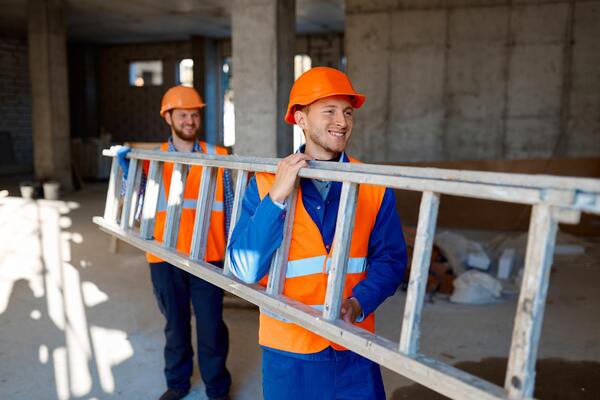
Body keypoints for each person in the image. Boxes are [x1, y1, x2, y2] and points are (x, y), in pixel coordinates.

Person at [227, 67, 407, 400]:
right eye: (330, 110)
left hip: (354, 345)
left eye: (348, 111)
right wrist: (277, 199)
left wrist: (359, 302)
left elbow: (391, 259)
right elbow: (243, 269)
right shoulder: (266, 183)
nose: (342, 121)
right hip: (288, 351)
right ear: (301, 118)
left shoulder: (372, 184)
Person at [120, 86, 232, 400]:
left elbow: (231, 205)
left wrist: (232, 253)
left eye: (194, 114)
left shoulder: (218, 156)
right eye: (183, 114)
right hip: (164, 256)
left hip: (207, 257)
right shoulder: (153, 159)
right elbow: (137, 205)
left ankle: (218, 388)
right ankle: (178, 383)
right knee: (176, 326)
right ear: (168, 117)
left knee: (211, 328)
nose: (190, 120)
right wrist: (128, 174)